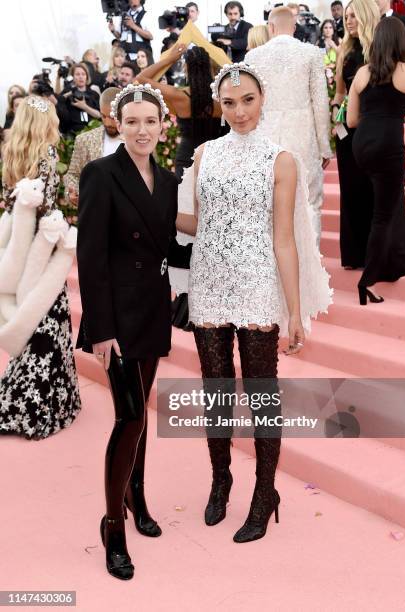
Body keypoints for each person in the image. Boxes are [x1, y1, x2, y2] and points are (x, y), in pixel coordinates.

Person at [176, 63, 332, 543]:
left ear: (262, 100)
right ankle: (221, 479)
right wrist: (147, 208)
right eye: (229, 102)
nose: (239, 111)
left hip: (259, 284)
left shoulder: (280, 159)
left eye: (247, 100)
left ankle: (265, 493)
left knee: (263, 397)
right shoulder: (205, 155)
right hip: (210, 284)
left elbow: (284, 239)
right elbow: (200, 224)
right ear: (218, 106)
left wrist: (293, 309)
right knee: (217, 392)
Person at [76, 84, 192, 580]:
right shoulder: (100, 175)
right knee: (128, 417)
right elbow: (91, 257)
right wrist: (99, 329)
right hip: (116, 320)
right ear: (117, 124)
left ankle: (137, 496)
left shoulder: (166, 182)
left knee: (140, 412)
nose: (142, 129)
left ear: (164, 125)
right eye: (132, 121)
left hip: (151, 310)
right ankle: (113, 525)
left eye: (151, 121)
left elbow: (168, 247)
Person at [0, 96, 81, 439]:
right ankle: (41, 406)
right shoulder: (47, 155)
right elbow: (45, 209)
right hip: (42, 250)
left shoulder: (11, 155)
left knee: (27, 320)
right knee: (48, 324)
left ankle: (18, 399)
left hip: (16, 246)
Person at [246, 6, 332, 244]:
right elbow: (320, 103)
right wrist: (325, 146)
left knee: (268, 206)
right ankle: (310, 266)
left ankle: (274, 270)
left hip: (266, 139)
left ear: (270, 27)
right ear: (294, 27)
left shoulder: (253, 56)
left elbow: (249, 103)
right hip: (303, 138)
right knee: (310, 204)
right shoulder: (312, 53)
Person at [347, 17, 405, 303]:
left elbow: (351, 120)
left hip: (362, 146)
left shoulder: (362, 73)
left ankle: (394, 261)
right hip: (388, 145)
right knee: (383, 216)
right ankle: (367, 281)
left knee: (383, 208)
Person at [331, 0, 379, 269]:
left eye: (353, 16)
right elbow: (339, 91)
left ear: (364, 16)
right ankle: (354, 255)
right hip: (345, 131)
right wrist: (336, 110)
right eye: (346, 16)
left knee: (371, 190)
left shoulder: (378, 51)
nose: (348, 21)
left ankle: (375, 253)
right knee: (350, 190)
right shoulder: (345, 51)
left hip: (371, 127)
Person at [137, 43, 224, 180]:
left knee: (184, 200)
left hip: (186, 156)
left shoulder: (179, 95)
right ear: (209, 68)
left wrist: (170, 59)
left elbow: (141, 79)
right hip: (215, 157)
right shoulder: (221, 97)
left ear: (186, 68)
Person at [64, 88, 121, 206]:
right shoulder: (85, 140)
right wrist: (72, 192)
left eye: (112, 117)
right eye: (103, 116)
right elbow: (73, 175)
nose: (107, 123)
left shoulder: (138, 140)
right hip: (95, 214)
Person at [57, 63, 101, 135]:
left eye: (83, 74)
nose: (81, 77)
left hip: (92, 132)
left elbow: (99, 115)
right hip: (72, 133)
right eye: (77, 74)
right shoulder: (68, 92)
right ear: (73, 77)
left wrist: (84, 107)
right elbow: (58, 101)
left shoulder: (93, 94)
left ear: (87, 77)